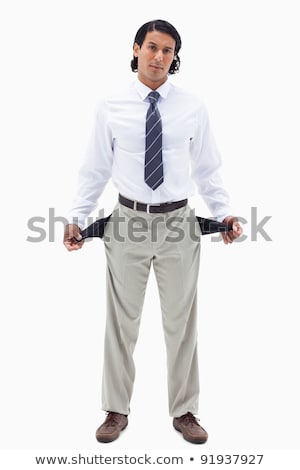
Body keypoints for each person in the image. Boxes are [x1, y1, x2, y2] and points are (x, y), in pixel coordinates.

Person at [63, 19, 243, 445]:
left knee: (181, 323)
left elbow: (208, 168)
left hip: (180, 223)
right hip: (126, 223)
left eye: (168, 51)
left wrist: (226, 214)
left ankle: (184, 412)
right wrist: (76, 215)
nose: (160, 57)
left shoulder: (192, 106)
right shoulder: (111, 105)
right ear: (137, 49)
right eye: (153, 47)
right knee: (120, 323)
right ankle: (115, 410)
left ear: (174, 57)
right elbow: (94, 168)